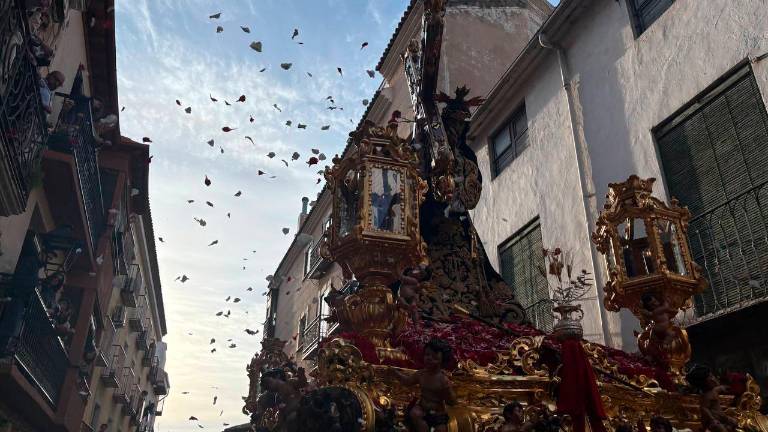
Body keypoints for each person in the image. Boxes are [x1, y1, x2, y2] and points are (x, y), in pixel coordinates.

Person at [392, 338, 457, 432]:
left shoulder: (443, 380)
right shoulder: (421, 374)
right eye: (427, 355)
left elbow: (452, 401)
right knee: (414, 414)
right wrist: (396, 374)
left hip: (437, 413)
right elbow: (407, 381)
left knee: (441, 429)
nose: (429, 358)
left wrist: (448, 391)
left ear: (442, 360)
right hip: (421, 408)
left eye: (434, 357)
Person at [686, 365, 739, 432]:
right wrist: (712, 419)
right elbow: (704, 408)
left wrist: (723, 387)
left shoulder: (713, 390)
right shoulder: (706, 396)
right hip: (714, 419)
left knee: (735, 423)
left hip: (722, 416)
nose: (713, 378)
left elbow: (717, 389)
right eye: (710, 377)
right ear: (703, 382)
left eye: (712, 376)